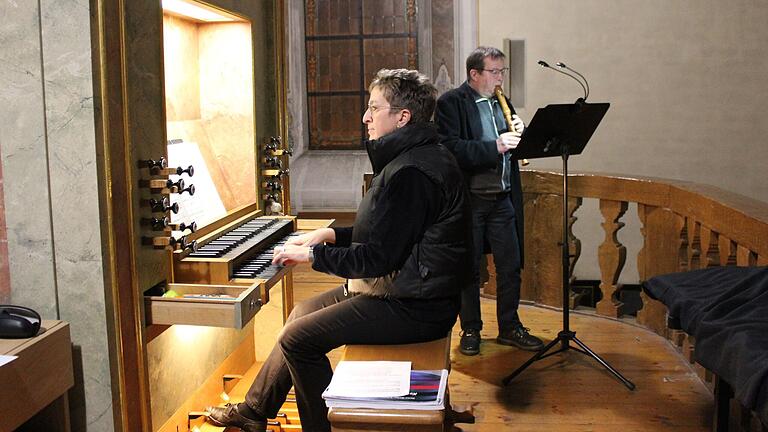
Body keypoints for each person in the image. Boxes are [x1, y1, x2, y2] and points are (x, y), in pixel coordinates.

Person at [206, 68, 472, 432]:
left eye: (374, 108)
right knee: (301, 312)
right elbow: (391, 234)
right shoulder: (416, 157)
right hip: (405, 289)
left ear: (402, 117)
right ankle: (254, 411)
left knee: (298, 340)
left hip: (416, 305)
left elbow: (379, 257)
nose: (365, 117)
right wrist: (328, 237)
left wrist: (313, 257)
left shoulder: (412, 171)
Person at [434, 46, 544, 356]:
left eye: (502, 72)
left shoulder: (501, 101)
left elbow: (511, 147)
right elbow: (450, 148)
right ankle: (471, 329)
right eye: (494, 72)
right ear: (475, 74)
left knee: (510, 266)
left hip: (502, 199)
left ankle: (509, 327)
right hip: (471, 201)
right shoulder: (451, 103)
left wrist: (519, 136)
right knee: (469, 269)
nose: (500, 79)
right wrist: (494, 146)